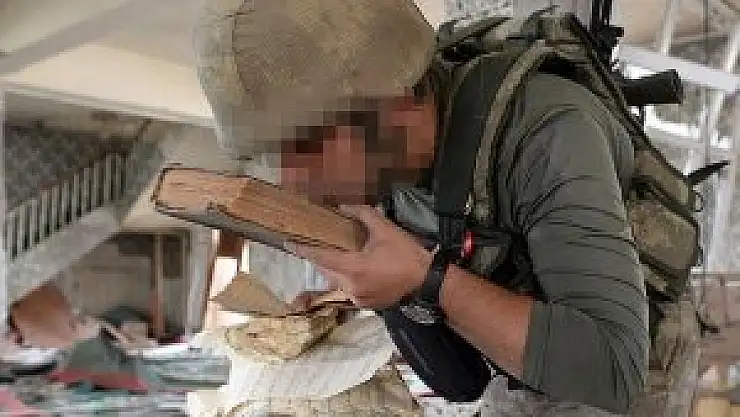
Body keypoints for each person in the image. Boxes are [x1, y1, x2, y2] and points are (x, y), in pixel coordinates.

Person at [195, 1, 649, 415]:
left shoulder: (548, 133)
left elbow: (614, 371)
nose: (293, 179)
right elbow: (461, 380)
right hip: (523, 358)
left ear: (395, 102)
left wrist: (424, 279)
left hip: (634, 359)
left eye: (308, 142)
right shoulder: (384, 172)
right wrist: (360, 297)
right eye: (278, 153)